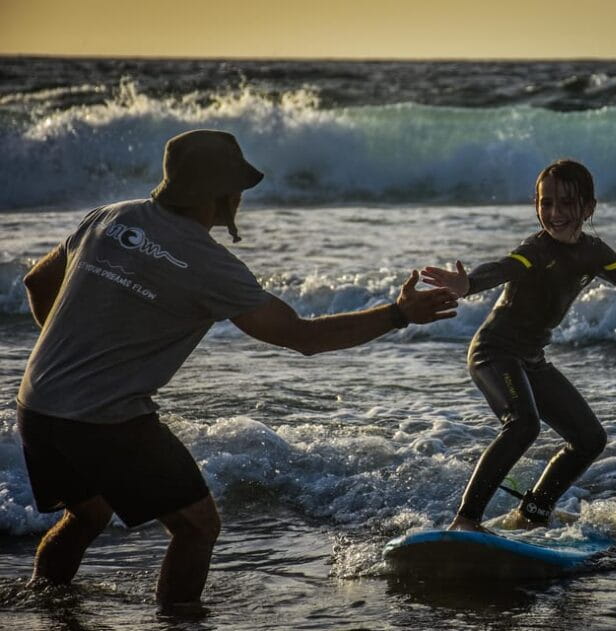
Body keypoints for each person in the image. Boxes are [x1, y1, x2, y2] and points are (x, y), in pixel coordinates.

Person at [16, 129, 458, 606]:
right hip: (104, 418)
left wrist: (72, 349)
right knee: (198, 526)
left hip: (37, 403)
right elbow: (302, 337)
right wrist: (398, 314)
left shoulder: (109, 217)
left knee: (88, 515)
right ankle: (177, 620)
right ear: (225, 196)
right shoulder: (209, 265)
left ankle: (44, 603)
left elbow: (37, 283)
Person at [421, 159, 616, 532]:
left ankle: (533, 513)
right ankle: (466, 520)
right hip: (493, 352)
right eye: (546, 203)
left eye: (566, 203)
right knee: (523, 425)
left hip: (531, 359)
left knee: (589, 439)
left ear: (588, 207)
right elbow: (503, 267)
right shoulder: (537, 249)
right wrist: (469, 285)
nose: (554, 213)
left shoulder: (595, 252)